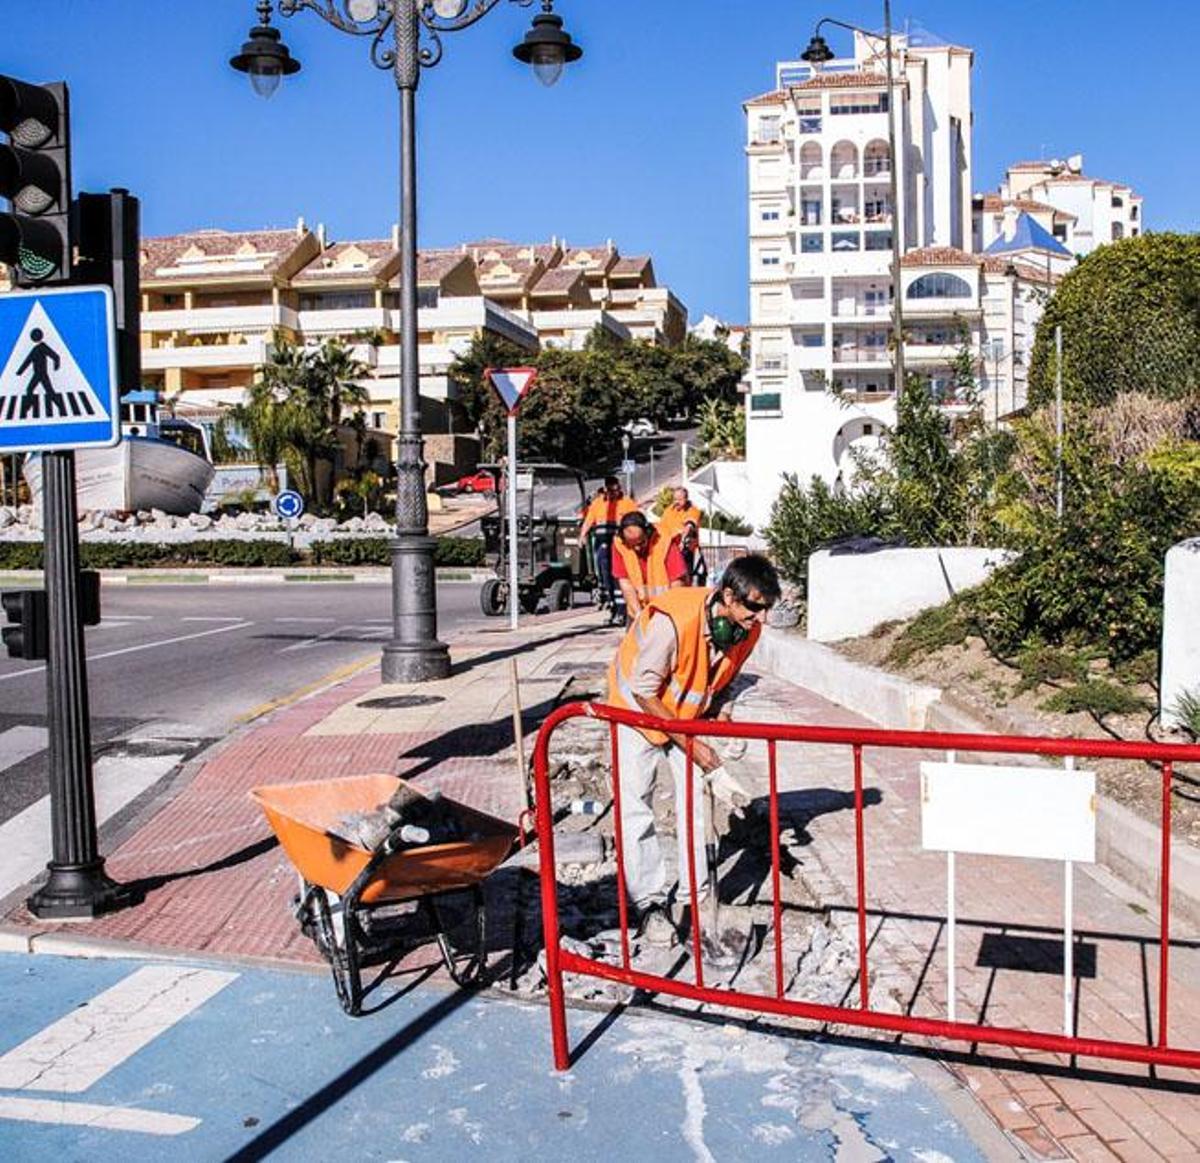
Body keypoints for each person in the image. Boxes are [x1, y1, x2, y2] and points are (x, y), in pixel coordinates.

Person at [605, 553, 781, 944]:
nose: (761, 618)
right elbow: (644, 689)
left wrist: (724, 716)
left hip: (683, 714)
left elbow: (725, 680)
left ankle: (696, 896)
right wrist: (695, 747)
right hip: (634, 707)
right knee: (636, 805)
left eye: (766, 609)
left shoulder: (746, 630)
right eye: (754, 608)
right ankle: (649, 904)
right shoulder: (674, 621)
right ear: (728, 597)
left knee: (696, 803)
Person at [611, 510, 688, 621]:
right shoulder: (619, 544)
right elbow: (625, 582)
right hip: (638, 611)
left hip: (668, 611)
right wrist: (638, 614)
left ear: (648, 533)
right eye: (631, 545)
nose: (637, 548)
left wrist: (669, 614)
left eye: (641, 543)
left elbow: (677, 583)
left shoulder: (665, 541)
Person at [579, 476, 637, 617]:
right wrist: (582, 535)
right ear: (606, 489)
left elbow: (635, 521)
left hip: (620, 546)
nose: (614, 493)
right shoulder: (598, 503)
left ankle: (622, 610)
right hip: (602, 546)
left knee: (619, 576)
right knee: (605, 576)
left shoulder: (627, 503)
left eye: (616, 490)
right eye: (611, 490)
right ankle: (612, 605)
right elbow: (589, 520)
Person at [657, 487, 704, 585]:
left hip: (685, 550)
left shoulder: (693, 510)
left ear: (686, 499)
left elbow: (689, 526)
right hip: (669, 549)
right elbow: (661, 527)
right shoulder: (669, 510)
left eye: (680, 499)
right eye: (675, 499)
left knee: (685, 579)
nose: (677, 502)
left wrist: (682, 540)